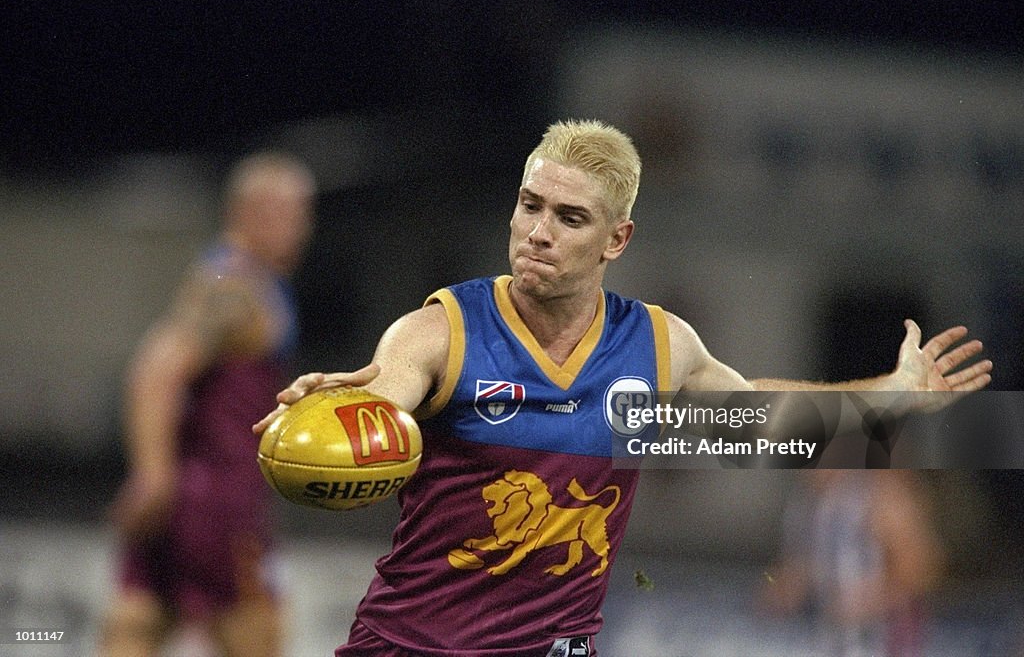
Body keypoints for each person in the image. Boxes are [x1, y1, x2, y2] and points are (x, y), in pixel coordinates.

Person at [253, 119, 991, 656]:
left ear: (617, 239)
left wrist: (895, 394)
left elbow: (763, 419)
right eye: (530, 205)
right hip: (411, 646)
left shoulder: (656, 346)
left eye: (570, 218)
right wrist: (345, 411)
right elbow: (386, 393)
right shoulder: (444, 329)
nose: (538, 232)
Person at [101, 153, 316, 657]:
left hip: (186, 498)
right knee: (260, 634)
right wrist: (152, 474)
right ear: (256, 211)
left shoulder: (234, 278)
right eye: (296, 214)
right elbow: (158, 367)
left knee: (138, 621)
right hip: (217, 502)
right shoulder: (237, 287)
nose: (304, 230)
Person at [760, 471, 945, 657]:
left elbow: (922, 567)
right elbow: (802, 569)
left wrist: (865, 600)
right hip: (829, 643)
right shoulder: (806, 501)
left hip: (883, 644)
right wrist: (781, 588)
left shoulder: (880, 491)